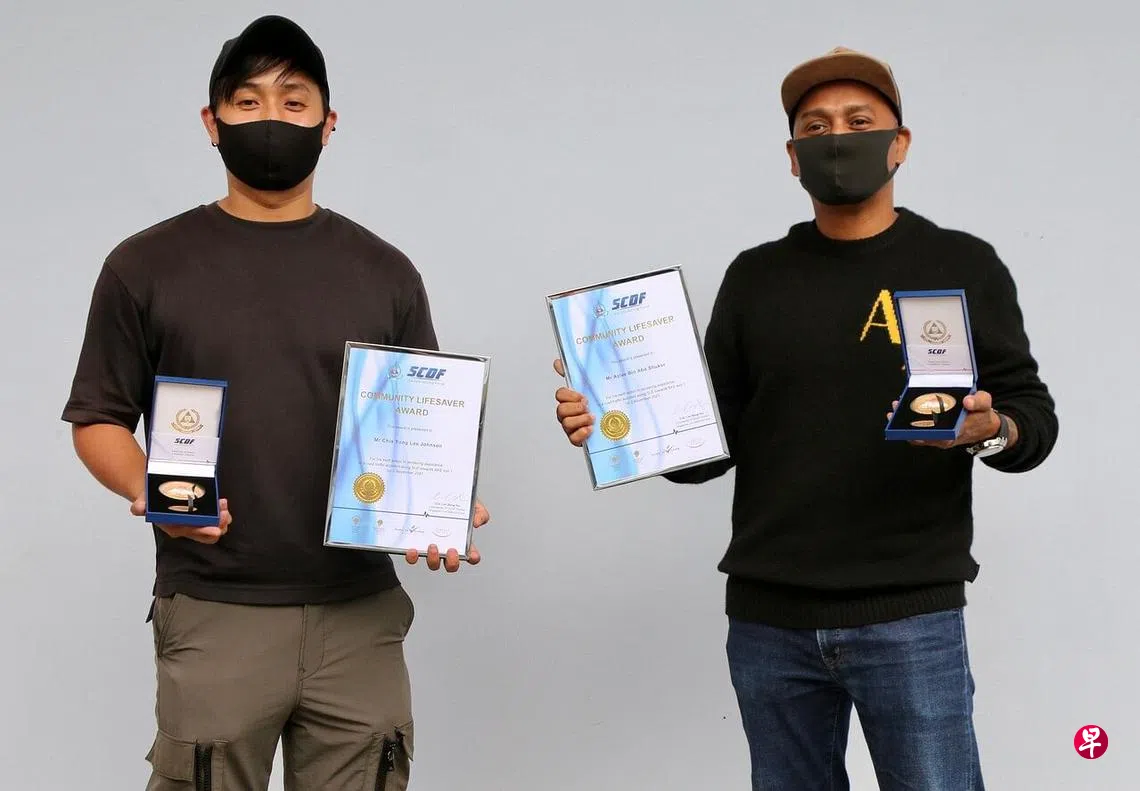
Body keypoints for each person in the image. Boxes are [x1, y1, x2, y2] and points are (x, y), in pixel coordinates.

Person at [551, 46, 1057, 790]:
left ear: (899, 143)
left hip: (909, 615)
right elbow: (710, 442)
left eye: (859, 121)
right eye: (815, 128)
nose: (837, 139)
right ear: (793, 157)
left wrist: (993, 429)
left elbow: (1032, 418)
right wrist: (622, 424)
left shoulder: (962, 264)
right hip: (769, 622)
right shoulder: (755, 277)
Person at [61, 15, 488, 791]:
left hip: (359, 615)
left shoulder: (385, 272)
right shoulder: (144, 266)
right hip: (215, 605)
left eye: (293, 102)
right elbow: (98, 417)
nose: (270, 119)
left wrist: (439, 505)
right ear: (212, 121)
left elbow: (418, 427)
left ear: (328, 124)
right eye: (248, 100)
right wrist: (150, 488)